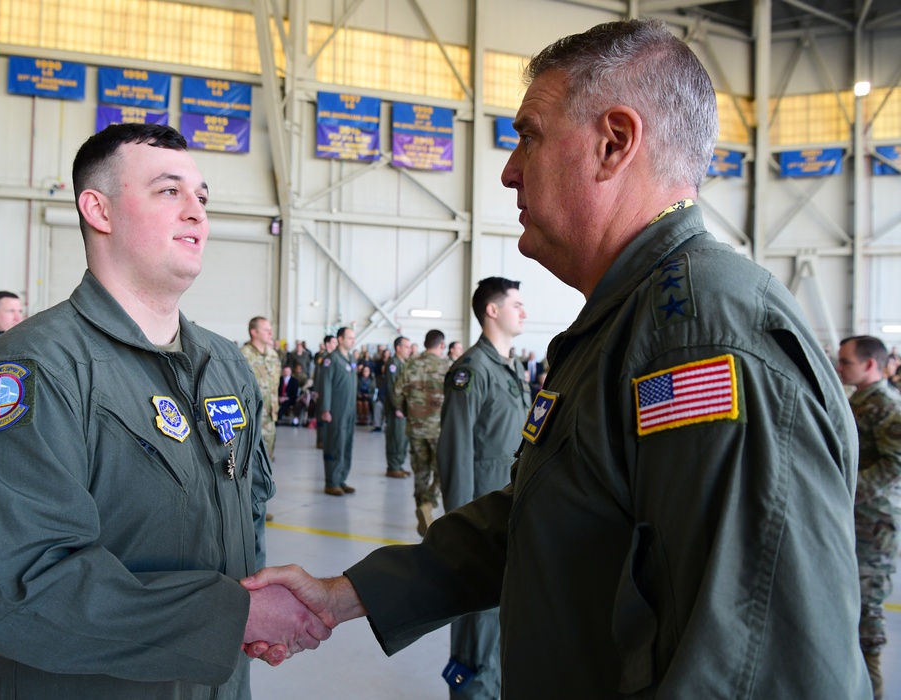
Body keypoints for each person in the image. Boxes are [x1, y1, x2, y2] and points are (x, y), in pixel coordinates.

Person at [243, 19, 869, 698]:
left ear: (613, 143)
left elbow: (754, 660)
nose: (510, 169)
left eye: (530, 135)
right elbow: (542, 521)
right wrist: (345, 594)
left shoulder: (699, 341)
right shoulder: (634, 321)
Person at [0, 124, 329, 699]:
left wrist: (242, 621)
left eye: (202, 197)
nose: (196, 212)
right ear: (98, 210)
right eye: (169, 192)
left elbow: (245, 521)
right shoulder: (35, 371)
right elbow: (22, 590)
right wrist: (233, 618)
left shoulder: (225, 365)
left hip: (211, 681)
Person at [434, 277, 530, 698]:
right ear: (492, 310)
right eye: (516, 304)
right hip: (481, 524)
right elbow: (455, 456)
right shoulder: (470, 372)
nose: (523, 312)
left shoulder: (512, 368)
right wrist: (462, 533)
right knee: (478, 627)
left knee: (503, 626)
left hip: (512, 517)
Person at [837, 335, 901, 699]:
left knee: (867, 613)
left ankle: (873, 691)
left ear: (871, 364)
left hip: (874, 524)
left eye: (846, 362)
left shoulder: (887, 406)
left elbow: (897, 464)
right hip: (855, 520)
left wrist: (845, 491)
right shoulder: (860, 402)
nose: (840, 367)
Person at [393, 329, 449, 536]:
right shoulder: (446, 367)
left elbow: (397, 394)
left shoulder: (410, 364)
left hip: (415, 427)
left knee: (420, 470)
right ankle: (428, 505)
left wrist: (409, 412)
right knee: (442, 469)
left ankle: (423, 509)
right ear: (441, 345)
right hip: (438, 429)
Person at [319, 326, 358, 496]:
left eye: (353, 338)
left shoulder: (350, 358)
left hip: (349, 410)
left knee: (346, 444)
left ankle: (341, 478)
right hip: (336, 410)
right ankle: (331, 481)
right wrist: (325, 409)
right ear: (340, 339)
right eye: (350, 338)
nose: (353, 341)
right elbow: (325, 385)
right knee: (335, 444)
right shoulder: (331, 359)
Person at [242, 316, 281, 458]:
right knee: (251, 459)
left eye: (270, 330)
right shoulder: (243, 355)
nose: (270, 333)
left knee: (268, 458)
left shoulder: (273, 355)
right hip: (251, 416)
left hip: (270, 415)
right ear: (254, 332)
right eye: (266, 330)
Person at [381, 336, 412, 478]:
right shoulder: (393, 364)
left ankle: (398, 464)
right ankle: (393, 466)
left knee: (402, 438)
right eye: (406, 347)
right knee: (395, 437)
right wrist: (397, 408)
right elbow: (392, 388)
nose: (409, 350)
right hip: (396, 410)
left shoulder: (404, 363)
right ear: (398, 348)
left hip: (405, 409)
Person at [312, 335, 337, 449]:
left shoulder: (335, 357)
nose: (335, 344)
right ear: (327, 344)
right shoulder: (323, 357)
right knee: (321, 415)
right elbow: (318, 374)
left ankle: (329, 439)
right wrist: (316, 390)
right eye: (333, 342)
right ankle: (321, 440)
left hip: (332, 391)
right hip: (322, 390)